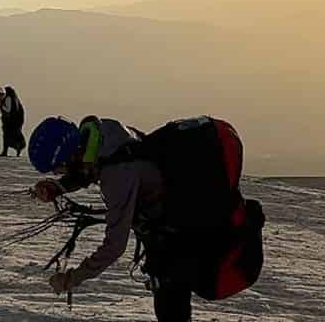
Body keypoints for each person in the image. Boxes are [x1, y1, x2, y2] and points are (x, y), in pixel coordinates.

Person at [29, 115, 263, 322]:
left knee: (191, 276)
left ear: (68, 157)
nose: (58, 173)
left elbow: (114, 246)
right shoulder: (102, 132)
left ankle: (249, 221)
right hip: (206, 154)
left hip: (199, 187)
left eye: (57, 169)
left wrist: (71, 278)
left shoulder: (117, 179)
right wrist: (58, 187)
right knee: (167, 272)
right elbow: (96, 165)